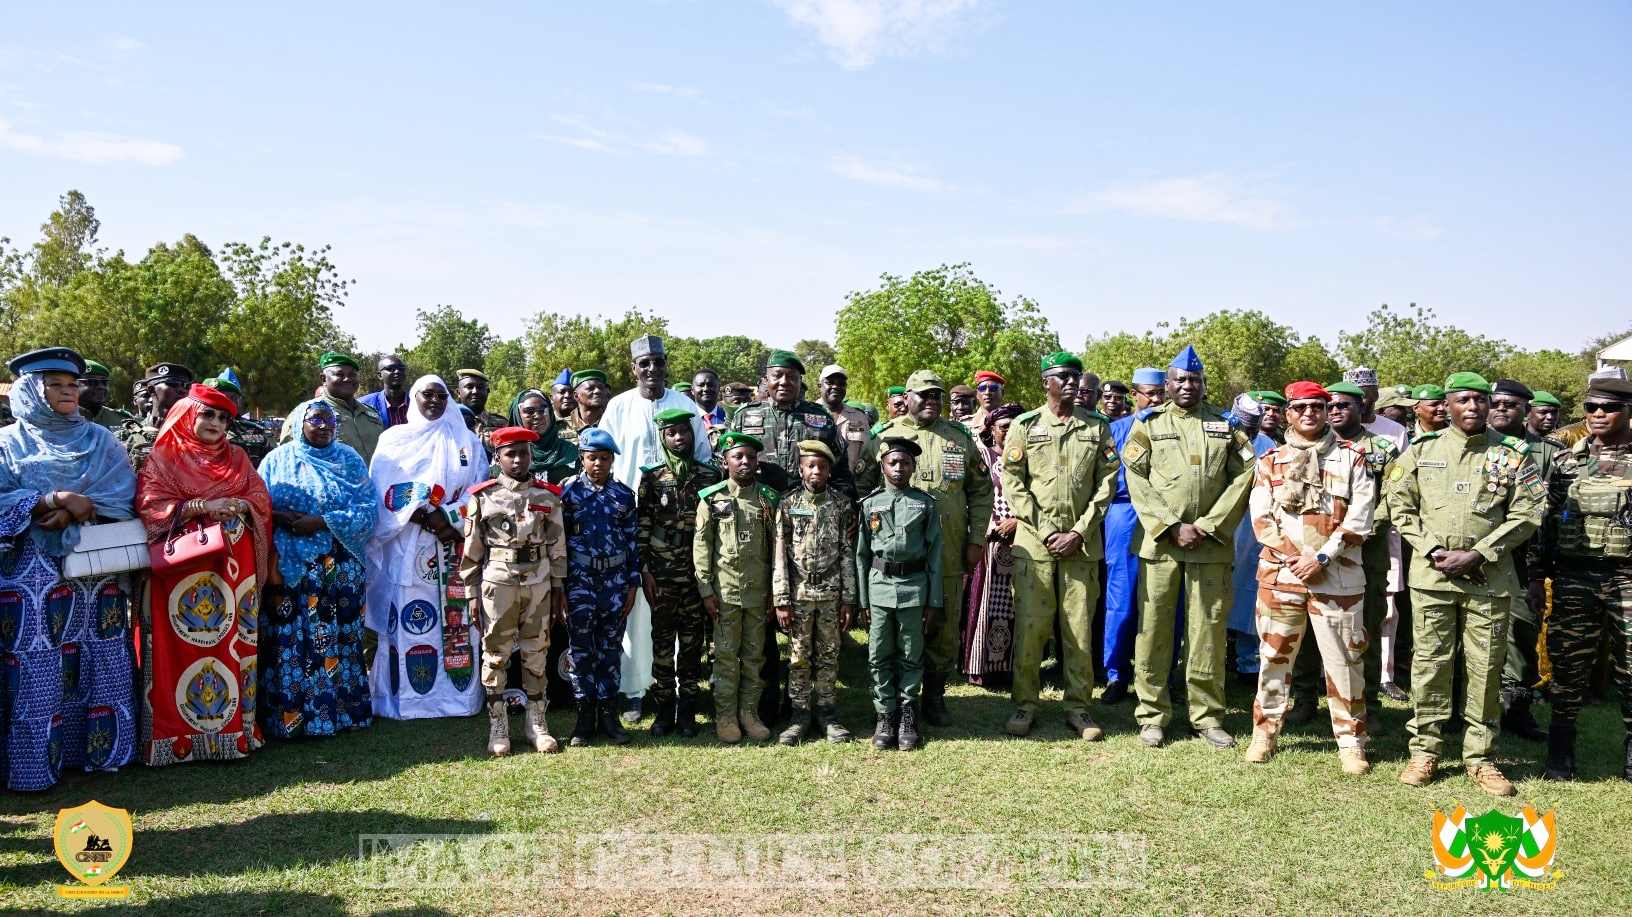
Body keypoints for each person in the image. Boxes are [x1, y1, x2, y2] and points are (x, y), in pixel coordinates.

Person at [1386, 372, 1544, 797]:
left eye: (1479, 400)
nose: (1472, 407)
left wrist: (1479, 553)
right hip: (1432, 578)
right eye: (1462, 400)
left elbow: (1529, 513)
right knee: (1430, 665)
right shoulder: (1422, 450)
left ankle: (1481, 758)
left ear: (1489, 405)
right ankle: (1425, 751)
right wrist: (1434, 550)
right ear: (1448, 405)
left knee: (1486, 667)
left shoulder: (1512, 454)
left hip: (1488, 581)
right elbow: (1399, 507)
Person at [0, 347, 139, 791]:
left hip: (96, 572)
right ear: (30, 393)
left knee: (99, 659)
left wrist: (83, 508)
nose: (68, 392)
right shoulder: (8, 443)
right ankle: (32, 766)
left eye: (71, 385)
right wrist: (47, 501)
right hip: (29, 576)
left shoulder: (100, 439)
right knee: (37, 663)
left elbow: (123, 492)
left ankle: (99, 753)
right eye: (55, 385)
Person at [1123, 346, 1256, 749]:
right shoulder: (1147, 424)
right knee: (1154, 632)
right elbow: (1136, 476)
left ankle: (1208, 717)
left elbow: (1244, 475)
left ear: (1203, 385)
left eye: (1194, 380)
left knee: (1208, 633)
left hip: (1210, 547)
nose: (1187, 385)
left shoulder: (1225, 425)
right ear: (1166, 384)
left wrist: (1208, 525)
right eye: (1179, 379)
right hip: (1161, 546)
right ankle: (1152, 715)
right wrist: (1170, 526)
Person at [137, 381, 273, 766]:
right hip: (184, 571)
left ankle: (235, 732)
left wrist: (240, 504)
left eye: (223, 417)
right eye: (208, 414)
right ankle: (176, 739)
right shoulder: (164, 457)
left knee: (232, 643)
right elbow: (150, 506)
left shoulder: (238, 457)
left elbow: (260, 497)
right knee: (183, 647)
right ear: (188, 415)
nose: (216, 422)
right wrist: (200, 506)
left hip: (235, 570)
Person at [1243, 382, 1376, 775]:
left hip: (1337, 577)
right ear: (1288, 413)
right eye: (1301, 408)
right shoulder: (1270, 461)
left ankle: (1352, 742)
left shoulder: (1352, 459)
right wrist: (1294, 557)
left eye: (1318, 407)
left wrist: (1320, 556)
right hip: (1282, 575)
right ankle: (1265, 732)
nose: (1310, 414)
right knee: (1273, 657)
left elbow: (1361, 517)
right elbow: (1261, 519)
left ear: (1326, 411)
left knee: (1345, 662)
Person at [862, 369, 994, 728]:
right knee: (895, 633)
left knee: (944, 627)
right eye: (924, 395)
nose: (932, 401)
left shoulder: (959, 437)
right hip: (899, 558)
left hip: (949, 552)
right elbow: (863, 490)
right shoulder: (884, 437)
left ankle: (933, 698)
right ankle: (894, 704)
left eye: (937, 395)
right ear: (907, 397)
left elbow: (982, 491)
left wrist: (976, 539)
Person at [1001, 353, 1120, 740]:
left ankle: (1079, 707)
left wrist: (1080, 531)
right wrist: (1049, 529)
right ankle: (1025, 704)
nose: (1071, 383)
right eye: (1062, 377)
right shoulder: (1025, 426)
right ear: (1045, 382)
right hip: (1034, 545)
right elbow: (1013, 481)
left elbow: (1107, 483)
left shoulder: (1097, 426)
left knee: (1078, 629)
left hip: (1082, 546)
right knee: (1032, 629)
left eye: (1075, 377)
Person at [600, 335, 711, 723]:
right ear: (634, 369)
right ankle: (635, 690)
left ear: (667, 365)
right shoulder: (618, 407)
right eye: (644, 363)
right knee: (636, 607)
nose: (652, 370)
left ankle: (680, 693)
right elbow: (604, 461)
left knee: (679, 610)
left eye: (658, 362)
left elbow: (704, 463)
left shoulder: (685, 407)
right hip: (631, 518)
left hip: (679, 528)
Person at [364, 375, 487, 720]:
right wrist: (422, 515)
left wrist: (447, 519)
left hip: (453, 543)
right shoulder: (393, 440)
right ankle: (407, 702)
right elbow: (383, 491)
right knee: (408, 624)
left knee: (457, 620)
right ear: (414, 399)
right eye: (426, 395)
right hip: (407, 543)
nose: (434, 401)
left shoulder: (467, 442)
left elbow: (478, 491)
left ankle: (458, 700)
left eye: (440, 395)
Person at [257, 399, 378, 740]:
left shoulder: (350, 461)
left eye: (330, 419)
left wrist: (321, 521)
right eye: (316, 419)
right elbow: (258, 506)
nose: (325, 425)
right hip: (291, 566)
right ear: (298, 424)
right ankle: (291, 721)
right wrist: (282, 518)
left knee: (340, 640)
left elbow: (369, 511)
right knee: (290, 642)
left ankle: (342, 715)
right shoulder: (276, 461)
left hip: (340, 568)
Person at [1539, 375, 1632, 781]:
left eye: (1608, 408)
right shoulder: (1565, 461)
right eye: (1591, 407)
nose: (1597, 415)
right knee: (1568, 664)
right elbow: (1544, 523)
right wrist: (1535, 575)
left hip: (1627, 576)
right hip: (1575, 576)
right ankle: (1561, 752)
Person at [462, 426, 567, 756]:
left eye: (523, 452)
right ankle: (498, 725)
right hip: (499, 581)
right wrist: (470, 593)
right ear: (498, 457)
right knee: (496, 653)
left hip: (538, 583)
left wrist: (558, 586)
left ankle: (537, 723)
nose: (519, 459)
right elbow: (471, 550)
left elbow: (557, 544)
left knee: (537, 651)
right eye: (511, 453)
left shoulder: (547, 496)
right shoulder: (483, 496)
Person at [636, 408, 721, 737]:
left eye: (684, 432)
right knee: (662, 644)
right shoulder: (653, 477)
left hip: (696, 573)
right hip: (663, 573)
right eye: (672, 433)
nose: (679, 438)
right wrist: (644, 570)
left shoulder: (708, 476)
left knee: (691, 645)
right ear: (663, 437)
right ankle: (663, 711)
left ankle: (687, 711)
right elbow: (642, 525)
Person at [1327, 381, 1406, 721]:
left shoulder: (1383, 449)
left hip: (1367, 550)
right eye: (1329, 405)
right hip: (1321, 551)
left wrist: (1364, 528)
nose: (1334, 411)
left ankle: (1369, 702)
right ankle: (1305, 698)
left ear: (1362, 408)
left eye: (1343, 405)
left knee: (1367, 626)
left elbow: (1396, 495)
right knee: (1317, 624)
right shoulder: (1316, 445)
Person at [856, 437, 941, 751]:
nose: (899, 467)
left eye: (905, 462)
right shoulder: (869, 504)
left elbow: (935, 555)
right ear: (883, 465)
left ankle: (907, 714)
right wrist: (863, 600)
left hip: (913, 589)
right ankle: (885, 715)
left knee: (910, 653)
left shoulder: (925, 503)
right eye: (893, 462)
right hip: (879, 589)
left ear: (913, 466)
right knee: (879, 654)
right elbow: (862, 556)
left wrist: (934, 601)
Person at [693, 432, 778, 744]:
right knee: (726, 657)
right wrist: (706, 591)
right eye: (738, 457)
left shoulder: (767, 499)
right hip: (725, 593)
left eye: (751, 458)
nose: (745, 462)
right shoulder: (712, 499)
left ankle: (749, 714)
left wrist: (774, 592)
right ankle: (726, 715)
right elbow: (702, 548)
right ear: (725, 461)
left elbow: (776, 549)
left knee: (755, 657)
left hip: (758, 593)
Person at [772, 440, 858, 745]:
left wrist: (849, 598)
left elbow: (848, 553)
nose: (816, 471)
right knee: (798, 656)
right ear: (800, 469)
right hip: (799, 593)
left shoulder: (840, 504)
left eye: (822, 466)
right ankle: (798, 715)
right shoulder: (788, 503)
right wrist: (781, 599)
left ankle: (827, 713)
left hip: (832, 593)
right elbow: (780, 554)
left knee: (829, 654)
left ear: (829, 471)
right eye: (810, 466)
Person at [559, 428, 641, 747]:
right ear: (582, 458)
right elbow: (559, 543)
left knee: (609, 648)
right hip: (580, 581)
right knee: (581, 649)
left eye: (604, 459)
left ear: (612, 460)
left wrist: (632, 584)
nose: (598, 464)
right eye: (592, 458)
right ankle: (583, 717)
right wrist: (561, 588)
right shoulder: (567, 495)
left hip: (615, 583)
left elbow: (633, 542)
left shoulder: (623, 495)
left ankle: (609, 715)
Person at [1488, 378, 1554, 741]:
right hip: (1479, 556)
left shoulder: (1547, 453)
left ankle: (1516, 709)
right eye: (1495, 403)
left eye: (1509, 404)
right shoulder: (1478, 444)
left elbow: (1547, 511)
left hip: (1524, 558)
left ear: (1525, 410)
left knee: (1522, 634)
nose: (1500, 409)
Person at [1101, 366, 1168, 703]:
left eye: (1160, 393)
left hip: (1166, 517)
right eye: (1149, 393)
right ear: (1136, 395)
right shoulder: (1117, 429)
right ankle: (1116, 675)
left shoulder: (1173, 426)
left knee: (1163, 599)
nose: (1155, 399)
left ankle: (1162, 675)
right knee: (1122, 598)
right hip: (1124, 513)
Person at [962, 404, 1024, 688]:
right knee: (986, 602)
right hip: (990, 540)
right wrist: (990, 525)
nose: (1009, 431)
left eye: (1014, 426)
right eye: (1003, 427)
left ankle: (1010, 666)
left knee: (1016, 604)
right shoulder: (981, 457)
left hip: (1021, 539)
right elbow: (972, 494)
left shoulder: (1027, 457)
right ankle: (981, 667)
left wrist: (1018, 521)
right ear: (992, 430)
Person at [1224, 395, 1278, 686]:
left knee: (1248, 597)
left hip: (1251, 532)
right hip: (1217, 528)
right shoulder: (1217, 434)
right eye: (1246, 428)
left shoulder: (1268, 445)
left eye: (1254, 429)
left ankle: (1247, 663)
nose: (1250, 434)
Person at [280, 352, 385, 465]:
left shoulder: (370, 413)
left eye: (352, 375)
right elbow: (288, 459)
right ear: (323, 379)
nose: (347, 379)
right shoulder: (306, 413)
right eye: (339, 375)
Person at [117, 362, 193, 472]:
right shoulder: (127, 434)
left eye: (186, 386)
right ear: (151, 390)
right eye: (172, 384)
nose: (182, 390)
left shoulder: (200, 434)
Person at [498, 388, 578, 484]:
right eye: (529, 411)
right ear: (517, 416)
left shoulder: (569, 450)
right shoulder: (506, 455)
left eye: (542, 410)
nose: (537, 416)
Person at [205, 373, 274, 467]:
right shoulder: (190, 433)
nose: (224, 403)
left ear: (237, 402)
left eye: (231, 398)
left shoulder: (255, 431)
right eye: (217, 398)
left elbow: (274, 465)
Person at [818, 364, 873, 475]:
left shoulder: (859, 417)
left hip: (850, 485)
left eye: (841, 384)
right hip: (817, 486)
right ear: (819, 385)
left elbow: (866, 455)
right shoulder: (808, 413)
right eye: (830, 382)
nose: (836, 386)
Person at [454, 369, 508, 452]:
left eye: (480, 387)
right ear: (458, 392)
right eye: (469, 387)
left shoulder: (502, 424)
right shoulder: (450, 422)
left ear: (487, 391)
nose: (475, 391)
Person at [561, 369, 611, 448]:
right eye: (591, 388)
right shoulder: (561, 426)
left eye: (601, 388)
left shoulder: (612, 422)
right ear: (576, 396)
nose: (597, 391)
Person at [359, 355, 410, 429]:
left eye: (401, 369)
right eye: (391, 369)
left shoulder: (417, 403)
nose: (397, 372)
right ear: (380, 375)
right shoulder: (364, 405)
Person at [77, 359, 130, 429]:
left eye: (104, 382)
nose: (101, 387)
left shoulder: (121, 420)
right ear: (74, 385)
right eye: (92, 382)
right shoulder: (61, 420)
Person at [691, 368, 729, 443]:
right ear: (692, 390)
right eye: (701, 385)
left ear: (718, 388)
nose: (706, 389)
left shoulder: (729, 417)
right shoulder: (687, 419)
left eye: (710, 385)